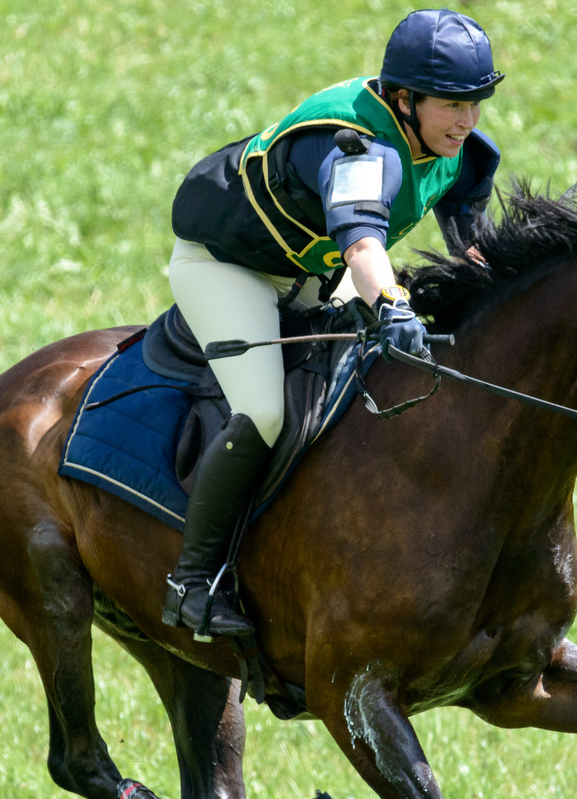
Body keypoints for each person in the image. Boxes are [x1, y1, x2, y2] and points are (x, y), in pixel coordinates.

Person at [163, 8, 504, 637]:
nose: (468, 120)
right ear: (404, 99)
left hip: (312, 273)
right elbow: (362, 250)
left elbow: (471, 247)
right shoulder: (356, 146)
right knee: (264, 411)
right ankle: (191, 581)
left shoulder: (453, 148)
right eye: (454, 104)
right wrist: (393, 307)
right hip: (230, 270)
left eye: (477, 102)